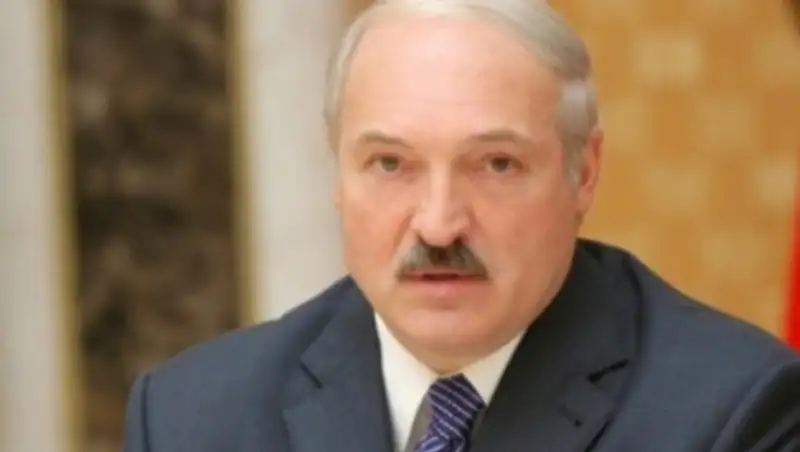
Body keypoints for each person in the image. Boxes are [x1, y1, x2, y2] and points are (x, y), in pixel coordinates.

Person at [122, 1, 800, 451]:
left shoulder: (731, 414)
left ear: (584, 172)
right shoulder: (190, 419)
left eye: (496, 164)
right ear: (337, 174)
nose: (440, 225)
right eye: (391, 164)